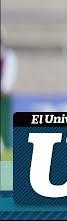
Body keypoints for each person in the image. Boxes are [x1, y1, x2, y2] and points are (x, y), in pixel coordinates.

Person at [1, 27, 18, 156]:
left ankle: (6, 167)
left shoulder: (8, 55)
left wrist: (4, 89)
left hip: (3, 98)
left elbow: (8, 77)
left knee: (4, 131)